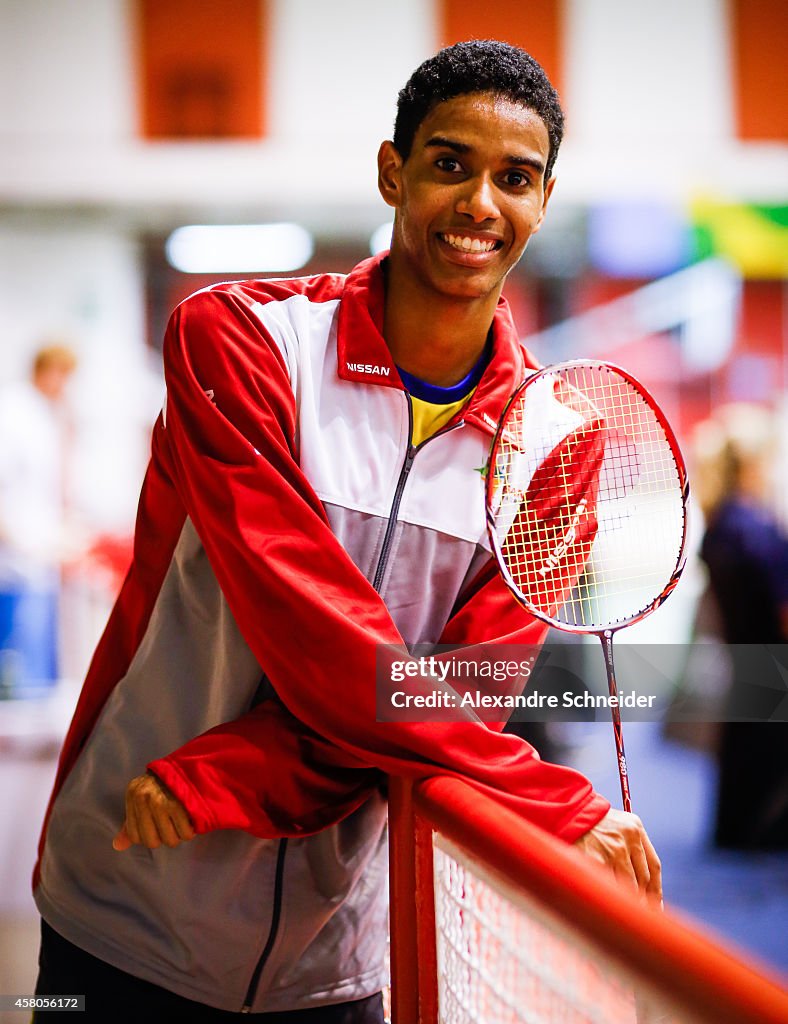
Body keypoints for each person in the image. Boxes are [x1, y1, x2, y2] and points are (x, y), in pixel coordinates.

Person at [33, 41, 661, 1021]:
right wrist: (551, 802)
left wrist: (232, 770)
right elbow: (327, 649)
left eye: (515, 178)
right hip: (126, 896)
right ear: (391, 171)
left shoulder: (555, 449)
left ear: (542, 202)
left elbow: (461, 699)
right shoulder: (237, 343)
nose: (479, 204)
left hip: (339, 950)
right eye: (450, 163)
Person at [694, 404, 788, 848]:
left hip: (746, 658)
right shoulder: (754, 527)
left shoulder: (723, 522)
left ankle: (740, 829)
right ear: (754, 461)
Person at [0, 343, 77, 696]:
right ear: (46, 371)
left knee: (36, 661)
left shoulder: (42, 414)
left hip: (37, 550)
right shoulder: (13, 413)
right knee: (18, 663)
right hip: (15, 553)